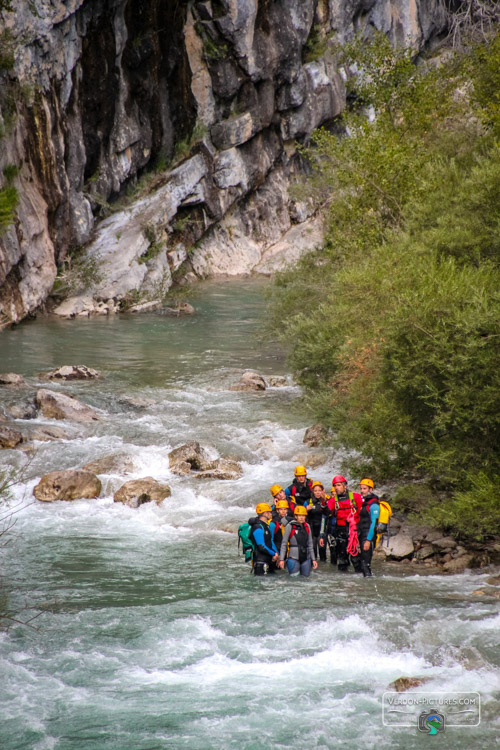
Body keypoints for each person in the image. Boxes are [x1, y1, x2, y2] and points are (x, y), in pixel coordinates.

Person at [320, 475, 362, 572]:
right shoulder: (333, 500)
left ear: (345, 486)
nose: (336, 488)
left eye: (338, 485)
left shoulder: (356, 497)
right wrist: (322, 501)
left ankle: (359, 578)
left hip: (354, 531)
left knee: (356, 559)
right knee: (342, 560)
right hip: (340, 531)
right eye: (335, 486)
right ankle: (343, 581)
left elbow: (363, 514)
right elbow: (327, 513)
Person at [279, 505, 318, 577]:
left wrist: (313, 559)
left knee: (305, 580)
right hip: (293, 558)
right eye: (299, 515)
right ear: (295, 516)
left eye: (303, 516)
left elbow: (310, 544)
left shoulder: (307, 526)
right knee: (294, 580)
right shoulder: (290, 526)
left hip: (306, 558)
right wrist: (281, 559)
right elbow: (284, 543)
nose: (302, 517)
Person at [248, 503, 280, 576]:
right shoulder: (257, 527)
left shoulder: (265, 526)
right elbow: (261, 546)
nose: (271, 514)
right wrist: (273, 553)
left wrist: (275, 553)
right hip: (260, 563)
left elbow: (269, 543)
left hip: (267, 561)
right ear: (265, 513)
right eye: (269, 512)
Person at [357, 478, 380, 577]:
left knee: (365, 564)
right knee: (362, 563)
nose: (362, 491)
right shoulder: (364, 502)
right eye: (361, 488)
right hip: (362, 535)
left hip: (368, 536)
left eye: (365, 489)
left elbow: (373, 523)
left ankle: (369, 587)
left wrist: (368, 540)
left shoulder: (374, 504)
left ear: (370, 490)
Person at [307, 481, 329, 562]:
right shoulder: (308, 501)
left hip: (322, 528)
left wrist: (324, 503)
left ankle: (323, 567)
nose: (317, 493)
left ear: (323, 491)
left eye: (319, 490)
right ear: (312, 491)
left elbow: (329, 513)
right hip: (312, 529)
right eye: (315, 491)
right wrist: (306, 510)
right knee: (312, 550)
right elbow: (299, 514)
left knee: (322, 550)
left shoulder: (327, 500)